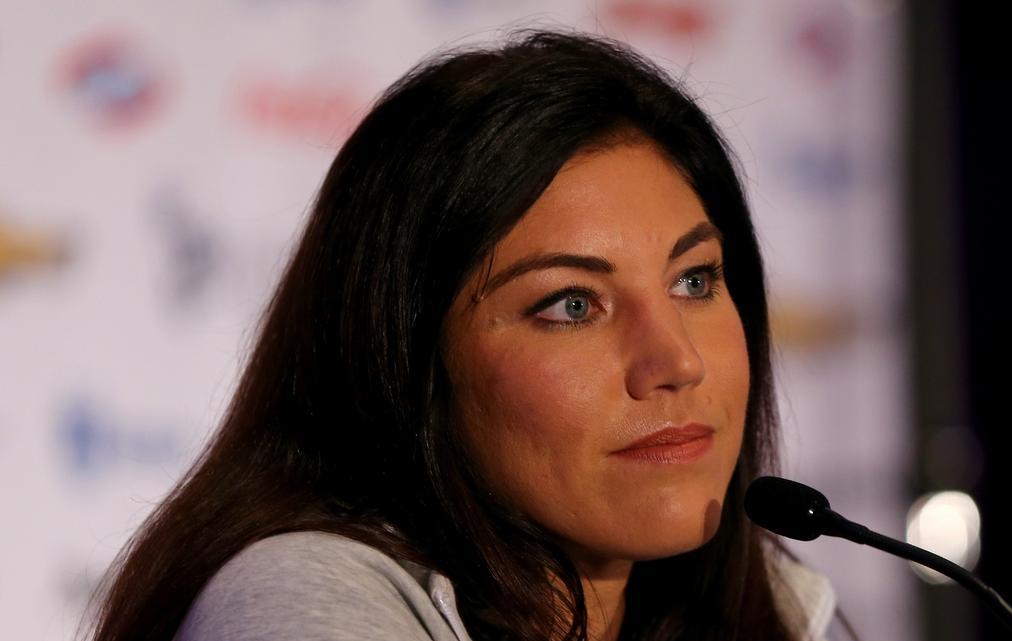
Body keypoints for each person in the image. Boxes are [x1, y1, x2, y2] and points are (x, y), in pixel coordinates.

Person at [80, 27, 857, 641]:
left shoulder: (764, 607)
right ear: (408, 360)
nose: (676, 360)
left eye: (695, 281)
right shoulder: (304, 593)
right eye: (571, 305)